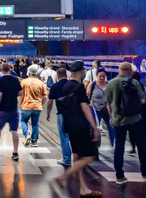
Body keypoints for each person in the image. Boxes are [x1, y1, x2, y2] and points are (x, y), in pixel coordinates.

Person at [52, 61, 101, 197]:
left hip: (70, 126)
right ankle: (64, 176)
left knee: (78, 157)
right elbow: (85, 108)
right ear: (81, 71)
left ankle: (84, 189)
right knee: (90, 156)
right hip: (80, 125)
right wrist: (94, 126)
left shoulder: (65, 86)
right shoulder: (79, 87)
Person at [104, 62, 146, 184]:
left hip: (118, 120)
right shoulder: (134, 83)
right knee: (141, 145)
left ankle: (119, 176)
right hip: (135, 119)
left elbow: (108, 103)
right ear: (130, 72)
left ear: (119, 70)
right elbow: (142, 100)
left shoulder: (111, 83)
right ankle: (145, 173)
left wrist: (111, 116)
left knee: (119, 147)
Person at [0, 63, 23, 160]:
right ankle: (15, 152)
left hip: (2, 109)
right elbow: (21, 93)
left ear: (2, 70)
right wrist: (12, 94)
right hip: (13, 109)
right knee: (14, 131)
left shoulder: (1, 80)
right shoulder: (15, 79)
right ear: (10, 69)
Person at [46, 67, 72, 167]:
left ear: (57, 76)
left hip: (62, 114)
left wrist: (48, 113)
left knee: (64, 137)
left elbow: (50, 102)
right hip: (73, 114)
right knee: (73, 136)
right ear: (66, 75)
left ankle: (67, 159)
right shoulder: (71, 84)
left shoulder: (55, 86)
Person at [86, 68, 115, 148]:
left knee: (111, 128)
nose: (102, 78)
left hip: (107, 110)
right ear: (96, 76)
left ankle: (114, 146)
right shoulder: (92, 85)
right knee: (95, 129)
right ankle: (95, 148)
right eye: (100, 76)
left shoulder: (109, 84)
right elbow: (87, 97)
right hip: (96, 110)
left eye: (104, 76)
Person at [20, 64, 47, 147]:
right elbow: (45, 96)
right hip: (37, 106)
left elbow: (21, 95)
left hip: (27, 105)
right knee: (35, 124)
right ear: (37, 74)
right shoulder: (41, 83)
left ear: (28, 73)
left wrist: (21, 104)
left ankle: (27, 134)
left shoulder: (24, 82)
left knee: (23, 121)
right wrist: (40, 104)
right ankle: (34, 141)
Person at [127, 71, 146, 156]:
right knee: (145, 130)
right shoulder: (142, 86)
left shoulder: (129, 86)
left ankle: (133, 147)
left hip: (133, 110)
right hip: (144, 110)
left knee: (132, 130)